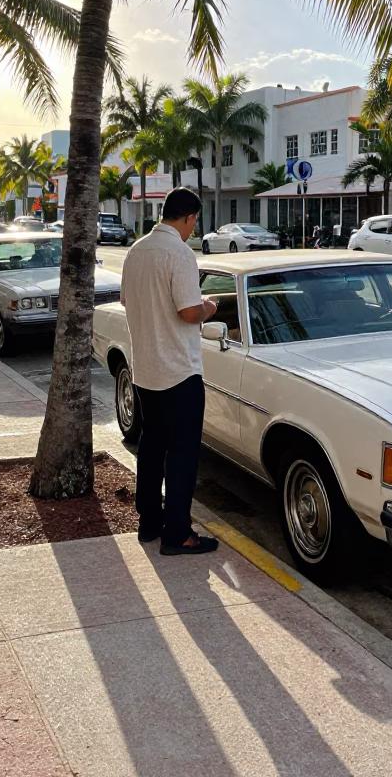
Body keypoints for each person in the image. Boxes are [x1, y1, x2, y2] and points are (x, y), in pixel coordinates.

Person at [120, 187, 220, 556]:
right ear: (190, 217)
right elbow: (188, 312)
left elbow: (127, 301)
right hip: (179, 371)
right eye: (194, 221)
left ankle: (149, 523)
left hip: (146, 369)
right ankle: (177, 534)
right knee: (181, 454)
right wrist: (209, 306)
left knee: (151, 447)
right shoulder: (180, 253)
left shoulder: (136, 250)